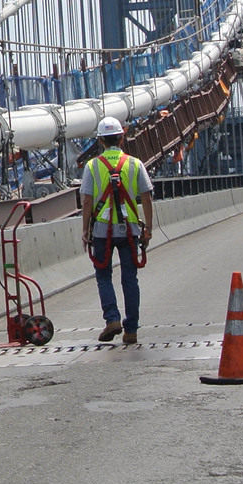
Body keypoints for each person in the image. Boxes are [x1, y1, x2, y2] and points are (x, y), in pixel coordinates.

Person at [80, 116, 154, 344]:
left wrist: (85, 230)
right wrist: (148, 229)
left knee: (103, 276)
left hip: (102, 231)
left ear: (100, 141)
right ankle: (131, 330)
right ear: (122, 138)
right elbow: (146, 198)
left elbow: (86, 202)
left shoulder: (92, 166)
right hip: (130, 230)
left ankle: (112, 318)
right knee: (130, 279)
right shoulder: (135, 164)